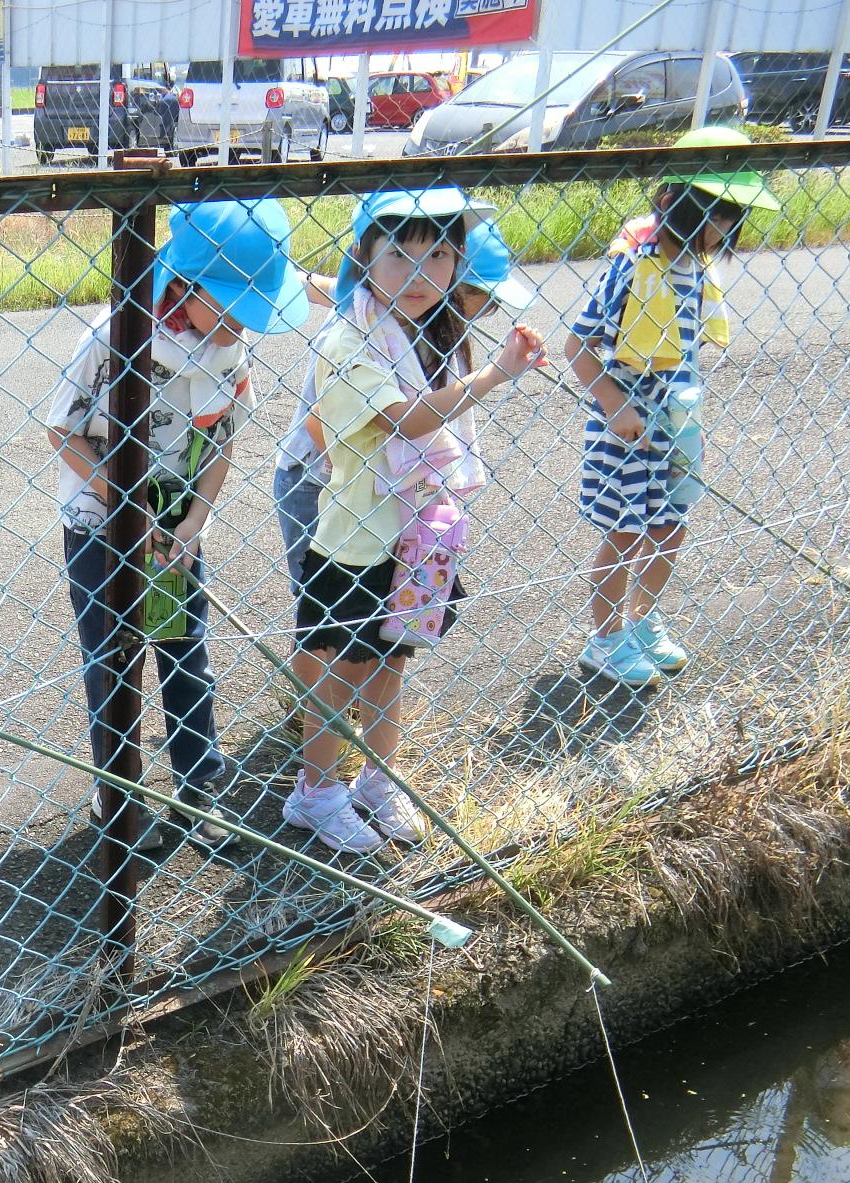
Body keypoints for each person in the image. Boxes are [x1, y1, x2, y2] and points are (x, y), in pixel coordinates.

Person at [283, 188, 544, 853]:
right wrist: (495, 375)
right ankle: (315, 794)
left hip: (419, 535)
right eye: (399, 254)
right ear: (363, 258)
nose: (420, 273)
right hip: (357, 540)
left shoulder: (435, 337)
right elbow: (407, 418)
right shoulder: (349, 339)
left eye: (440, 256)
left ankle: (378, 778)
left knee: (392, 664)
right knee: (340, 670)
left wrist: (482, 370)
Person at [46, 198, 309, 853]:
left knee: (187, 654)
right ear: (184, 287)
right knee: (111, 659)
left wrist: (191, 522)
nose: (243, 326)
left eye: (254, 313)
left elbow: (220, 443)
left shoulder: (230, 349)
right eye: (233, 308)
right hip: (103, 525)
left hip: (177, 528)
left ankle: (199, 784)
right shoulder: (115, 339)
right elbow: (62, 431)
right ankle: (121, 791)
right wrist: (132, 510)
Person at [564, 125, 778, 686]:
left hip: (677, 424)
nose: (723, 228)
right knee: (625, 531)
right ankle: (605, 639)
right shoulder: (632, 266)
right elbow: (577, 346)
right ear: (672, 202)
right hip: (626, 426)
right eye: (714, 212)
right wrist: (616, 405)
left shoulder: (700, 271)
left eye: (732, 216)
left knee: (672, 524)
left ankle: (643, 621)